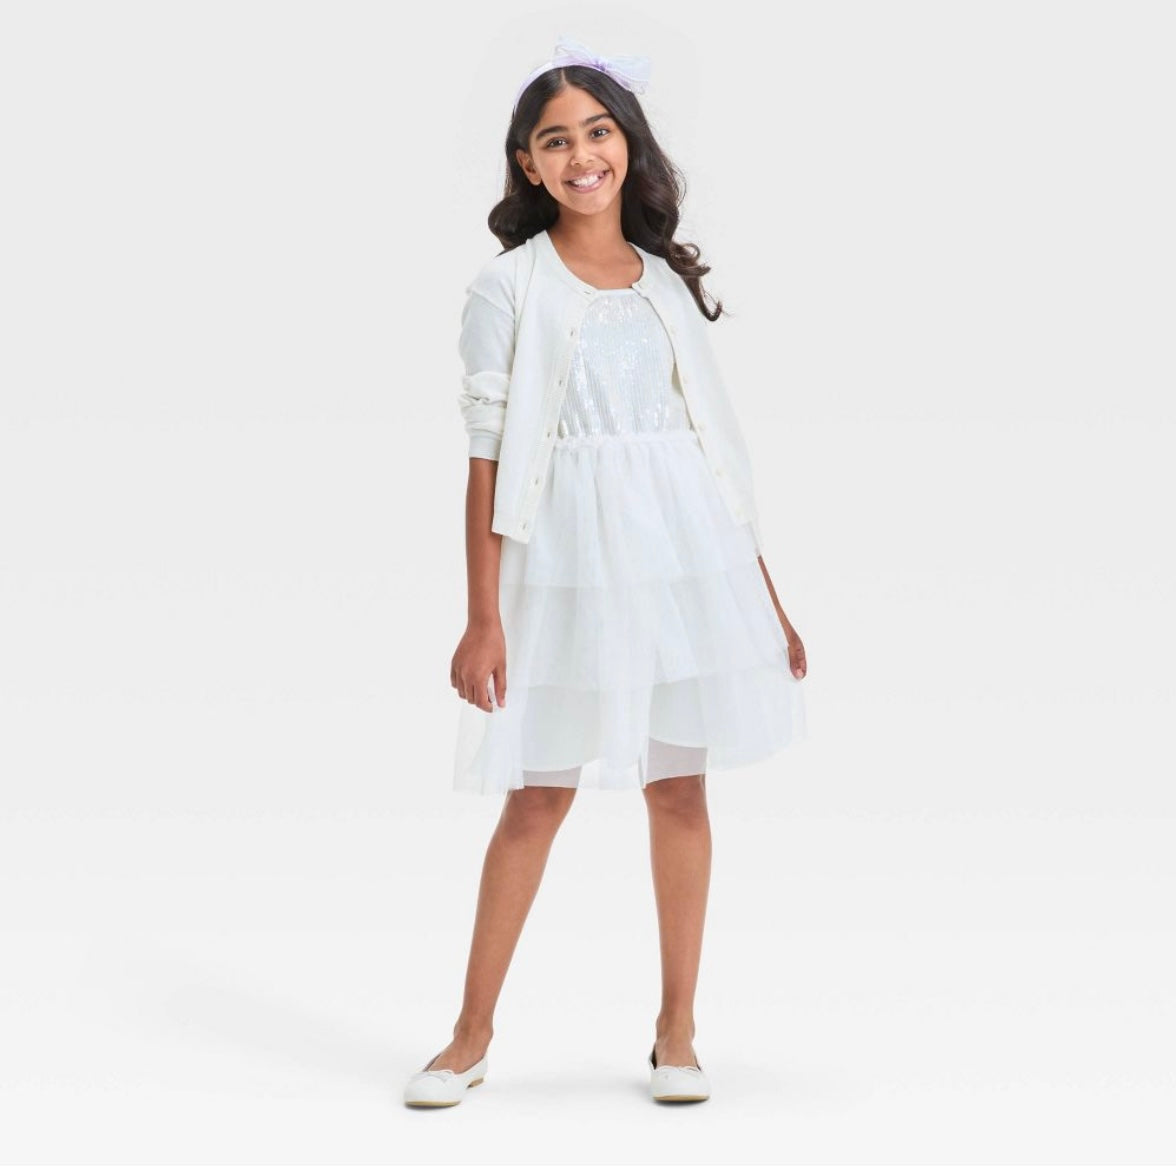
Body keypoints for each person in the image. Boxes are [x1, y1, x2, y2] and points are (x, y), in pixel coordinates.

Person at [404, 36, 808, 1109]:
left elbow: (716, 453)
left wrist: (766, 601)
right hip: (568, 568)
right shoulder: (507, 289)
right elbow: (486, 462)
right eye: (555, 140)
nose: (582, 155)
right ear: (527, 164)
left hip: (683, 562)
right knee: (537, 795)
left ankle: (678, 1030)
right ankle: (468, 1033)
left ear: (627, 144)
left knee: (680, 787)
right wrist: (482, 617)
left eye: (598, 131)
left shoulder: (664, 281)